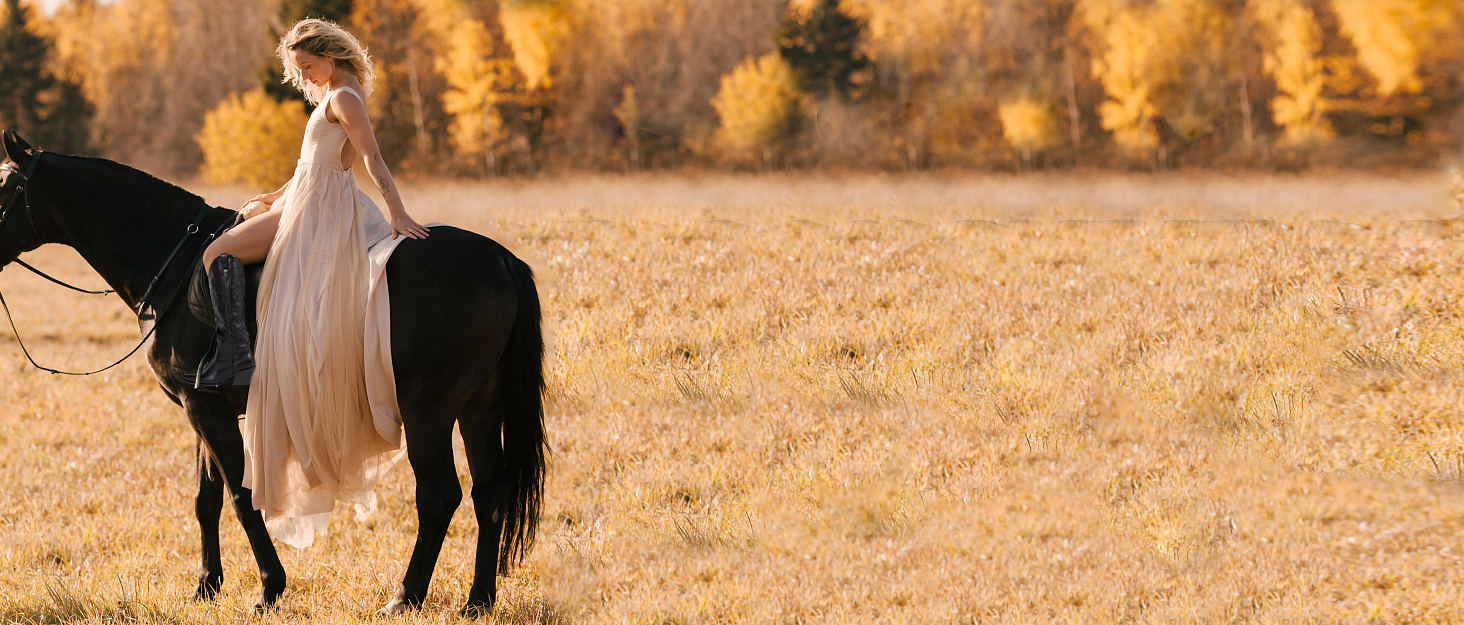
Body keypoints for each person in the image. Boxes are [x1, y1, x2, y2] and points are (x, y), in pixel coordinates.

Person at [187, 18, 430, 546]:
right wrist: (272, 197)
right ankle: (237, 348)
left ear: (332, 57)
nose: (306, 77)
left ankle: (233, 355)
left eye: (309, 66)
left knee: (216, 251)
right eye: (299, 70)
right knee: (227, 244)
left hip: (320, 212)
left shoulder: (345, 96)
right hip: (303, 197)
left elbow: (371, 159)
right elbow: (307, 164)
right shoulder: (332, 95)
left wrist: (397, 212)